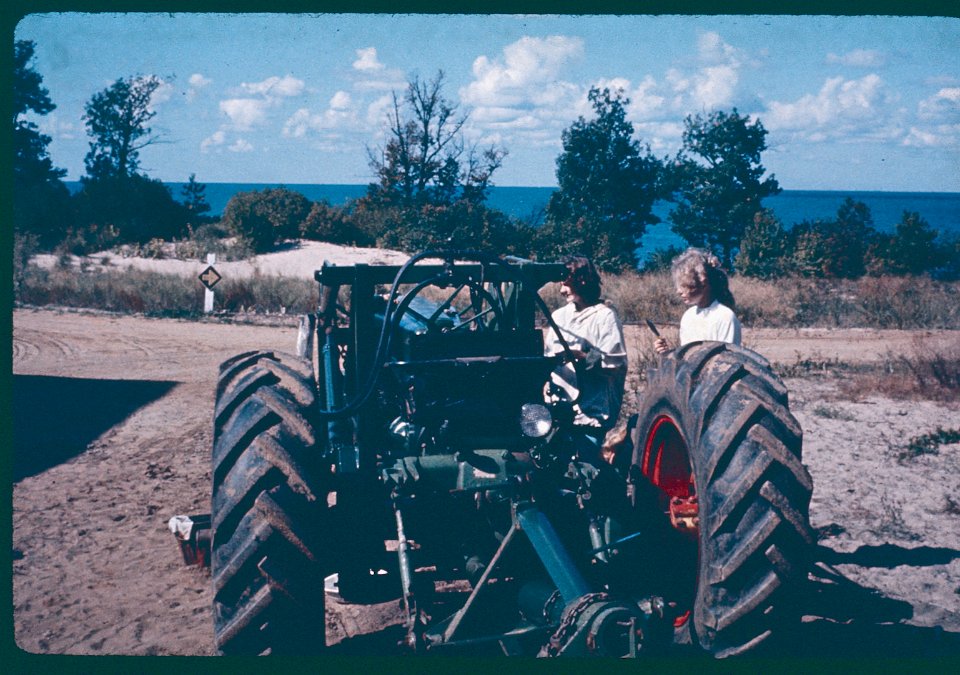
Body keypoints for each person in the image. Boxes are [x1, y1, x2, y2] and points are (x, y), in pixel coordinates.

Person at [543, 256, 627, 464]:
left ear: (582, 280)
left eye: (567, 283)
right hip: (559, 412)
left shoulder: (604, 316)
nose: (563, 290)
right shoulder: (559, 317)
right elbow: (547, 358)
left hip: (591, 413)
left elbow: (614, 362)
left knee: (589, 467)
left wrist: (583, 357)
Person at [654, 247, 741, 353]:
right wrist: (666, 353)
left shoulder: (725, 317)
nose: (679, 291)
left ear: (704, 283)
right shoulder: (688, 316)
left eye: (685, 285)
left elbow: (728, 362)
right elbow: (688, 359)